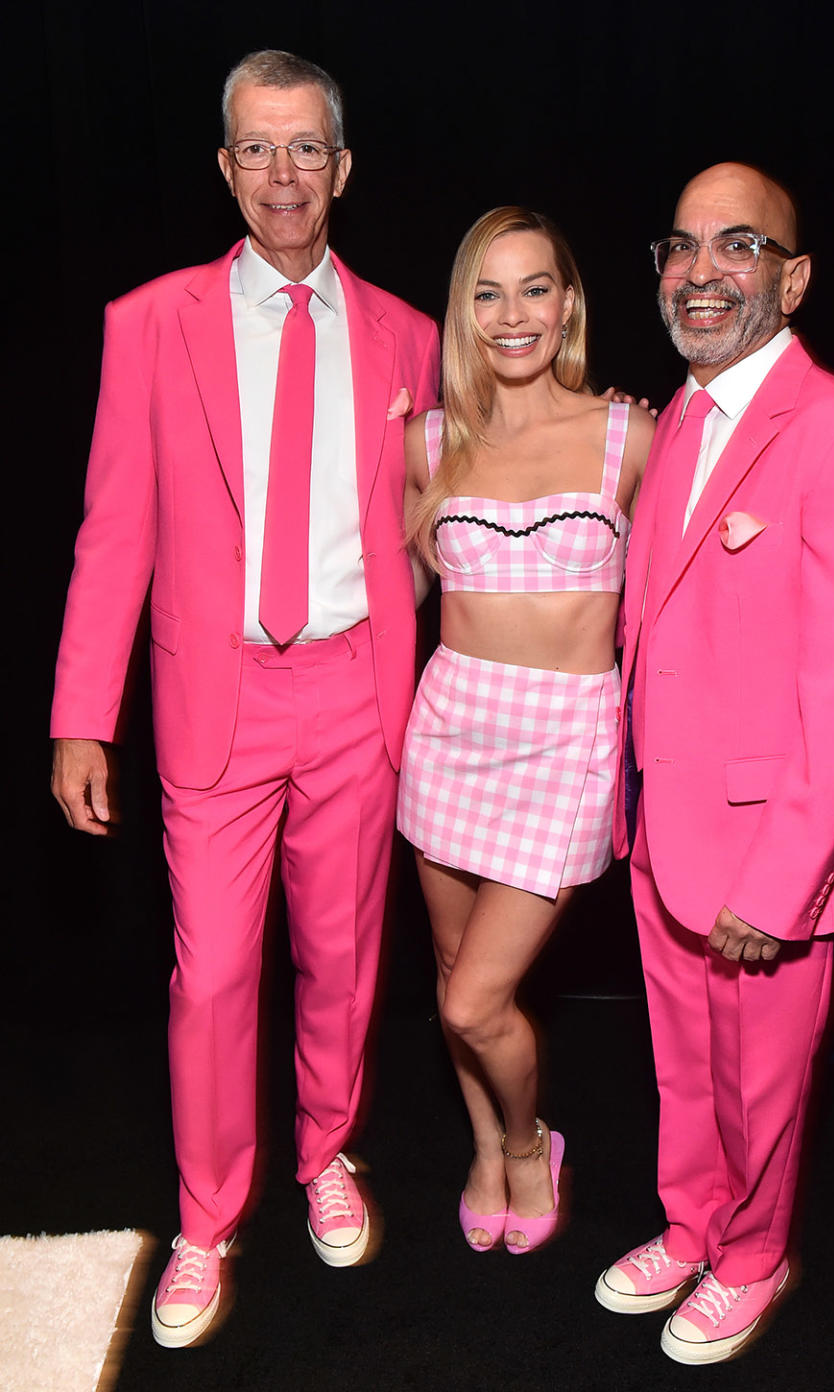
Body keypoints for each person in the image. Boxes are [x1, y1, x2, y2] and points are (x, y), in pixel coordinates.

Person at [50, 49, 439, 1347]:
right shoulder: (146, 321)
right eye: (257, 149)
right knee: (213, 976)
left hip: (353, 694)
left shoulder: (409, 338)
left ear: (342, 168)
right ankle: (206, 1219)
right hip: (215, 695)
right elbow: (114, 532)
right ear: (225, 167)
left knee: (341, 960)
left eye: (306, 149)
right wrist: (79, 714)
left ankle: (327, 1152)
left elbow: (435, 529)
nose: (283, 174)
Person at [594, 163, 834, 1363]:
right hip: (664, 820)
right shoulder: (676, 418)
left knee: (763, 1086)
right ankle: (694, 1227)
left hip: (775, 845)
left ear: (792, 278)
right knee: (684, 1072)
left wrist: (786, 882)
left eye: (737, 246)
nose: (700, 271)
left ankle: (756, 1255)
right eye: (680, 247)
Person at [399, 207, 653, 1254]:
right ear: (465, 312)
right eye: (488, 292)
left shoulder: (630, 434)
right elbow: (383, 594)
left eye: (535, 287)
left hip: (564, 742)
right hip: (451, 726)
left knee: (472, 1001)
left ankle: (525, 1139)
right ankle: (483, 1144)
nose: (513, 314)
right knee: (453, 974)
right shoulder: (425, 438)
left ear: (569, 303)